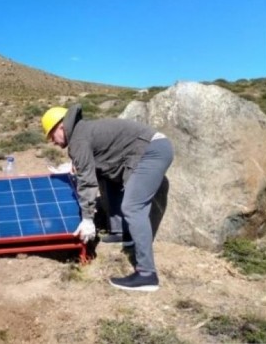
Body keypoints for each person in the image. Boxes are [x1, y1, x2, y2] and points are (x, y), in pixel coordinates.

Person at [41, 104, 173, 292]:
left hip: (151, 151)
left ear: (61, 127)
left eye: (51, 135)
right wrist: (75, 166)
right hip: (146, 150)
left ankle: (147, 274)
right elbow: (95, 164)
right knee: (104, 175)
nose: (52, 142)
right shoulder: (82, 131)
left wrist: (87, 219)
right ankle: (121, 233)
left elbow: (86, 181)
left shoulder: (79, 138)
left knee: (133, 207)